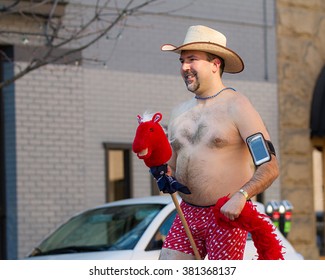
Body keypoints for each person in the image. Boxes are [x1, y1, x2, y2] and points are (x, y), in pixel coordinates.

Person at [158, 25, 279, 260]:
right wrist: (162, 172)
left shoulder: (238, 106)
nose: (184, 67)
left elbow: (270, 166)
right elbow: (169, 166)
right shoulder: (179, 113)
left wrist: (241, 195)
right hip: (187, 215)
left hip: (226, 217)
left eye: (192, 59)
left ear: (215, 64)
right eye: (182, 61)